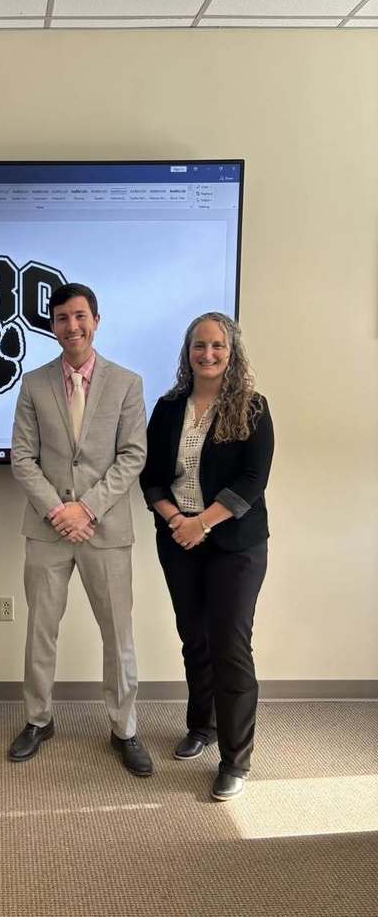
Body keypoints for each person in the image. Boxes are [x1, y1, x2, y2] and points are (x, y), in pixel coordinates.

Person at [8, 283, 152, 775]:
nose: (73, 326)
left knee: (118, 634)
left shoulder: (127, 383)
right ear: (52, 325)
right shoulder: (33, 384)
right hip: (48, 529)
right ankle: (38, 720)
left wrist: (86, 509)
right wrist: (58, 511)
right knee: (41, 630)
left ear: (96, 319)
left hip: (105, 529)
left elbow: (134, 454)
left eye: (80, 316)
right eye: (63, 318)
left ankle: (124, 728)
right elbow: (23, 458)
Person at [140, 312, 274, 801]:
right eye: (200, 346)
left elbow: (251, 480)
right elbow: (151, 475)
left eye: (218, 346)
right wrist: (178, 520)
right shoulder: (169, 406)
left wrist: (204, 522)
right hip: (179, 539)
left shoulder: (252, 408)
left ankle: (236, 759)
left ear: (231, 351)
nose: (208, 354)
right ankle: (202, 726)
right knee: (193, 637)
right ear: (187, 352)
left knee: (230, 646)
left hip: (235, 544)